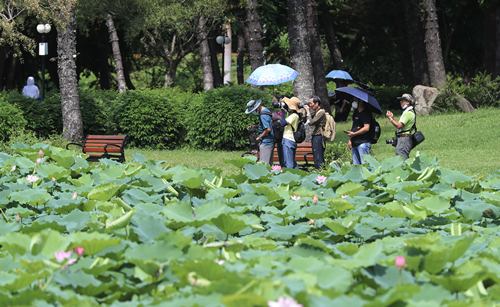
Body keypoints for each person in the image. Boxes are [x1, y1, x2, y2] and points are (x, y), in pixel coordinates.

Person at [386, 93, 416, 160]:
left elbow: (399, 126)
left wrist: (390, 118)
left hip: (404, 139)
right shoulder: (408, 112)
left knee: (402, 159)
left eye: (403, 100)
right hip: (403, 139)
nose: (400, 101)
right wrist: (392, 118)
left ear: (408, 102)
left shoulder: (408, 113)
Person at [246, 99, 274, 165]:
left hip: (266, 142)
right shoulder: (267, 110)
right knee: (269, 165)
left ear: (257, 108)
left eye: (253, 111)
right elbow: (266, 124)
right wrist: (255, 126)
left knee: (264, 165)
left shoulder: (263, 115)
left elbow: (268, 129)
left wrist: (259, 138)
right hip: (270, 141)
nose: (253, 112)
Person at [345, 97, 372, 165]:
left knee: (364, 165)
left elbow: (366, 128)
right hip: (354, 143)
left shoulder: (366, 113)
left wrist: (354, 134)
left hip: (363, 143)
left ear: (361, 101)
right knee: (356, 166)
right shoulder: (356, 112)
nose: (354, 101)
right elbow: (354, 126)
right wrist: (350, 139)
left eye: (355, 100)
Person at [304, 96, 326, 169]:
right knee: (316, 156)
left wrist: (308, 112)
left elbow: (311, 122)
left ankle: (321, 172)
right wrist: (305, 111)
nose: (310, 105)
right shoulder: (315, 113)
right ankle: (318, 172)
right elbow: (304, 120)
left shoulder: (321, 112)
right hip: (315, 137)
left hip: (319, 136)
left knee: (318, 156)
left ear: (317, 103)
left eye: (311, 103)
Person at [280, 97, 302, 169]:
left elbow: (283, 123)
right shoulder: (293, 115)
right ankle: (297, 177)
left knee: (289, 163)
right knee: (292, 161)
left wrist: (282, 112)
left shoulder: (294, 116)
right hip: (290, 140)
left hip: (288, 140)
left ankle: (290, 178)